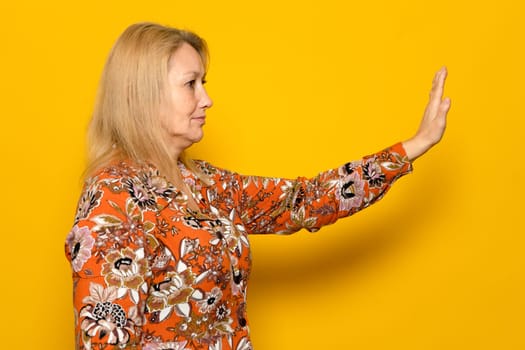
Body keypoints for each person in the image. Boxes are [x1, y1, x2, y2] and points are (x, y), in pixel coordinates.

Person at [65, 22, 450, 350]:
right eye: (191, 84)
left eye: (204, 83)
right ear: (144, 95)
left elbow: (304, 201)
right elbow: (104, 339)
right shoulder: (113, 197)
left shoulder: (201, 184)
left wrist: (411, 147)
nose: (207, 99)